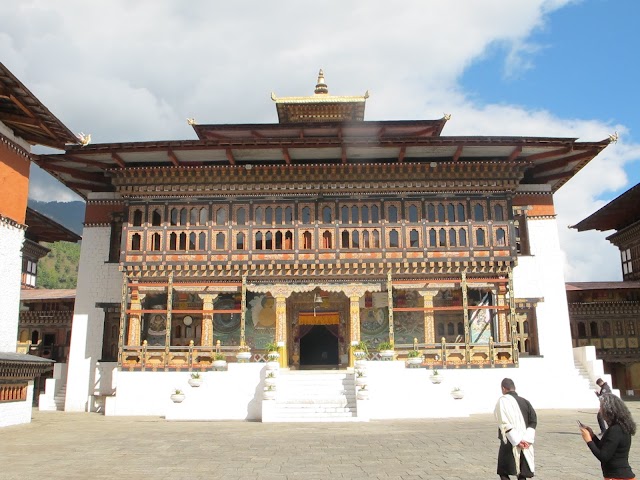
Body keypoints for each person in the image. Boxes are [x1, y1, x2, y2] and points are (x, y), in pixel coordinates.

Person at [580, 393, 636, 479]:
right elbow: (606, 448)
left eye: (601, 407)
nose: (600, 411)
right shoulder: (620, 427)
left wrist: (588, 441)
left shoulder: (616, 430)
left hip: (618, 476)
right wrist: (592, 436)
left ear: (609, 410)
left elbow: (603, 456)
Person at [494, 378, 537, 479]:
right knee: (521, 471)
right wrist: (526, 439)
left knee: (503, 471)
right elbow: (533, 421)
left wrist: (517, 440)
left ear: (503, 389)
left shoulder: (502, 401)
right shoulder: (526, 402)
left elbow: (504, 422)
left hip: (509, 441)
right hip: (525, 442)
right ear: (514, 388)